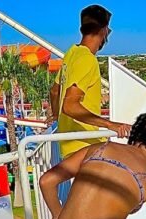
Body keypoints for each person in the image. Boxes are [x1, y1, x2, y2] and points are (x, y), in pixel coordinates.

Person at [49, 5, 131, 158]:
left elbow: (55, 91)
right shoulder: (87, 59)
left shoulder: (71, 53)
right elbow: (69, 105)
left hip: (69, 146)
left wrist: (56, 117)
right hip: (85, 146)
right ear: (103, 30)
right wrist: (110, 125)